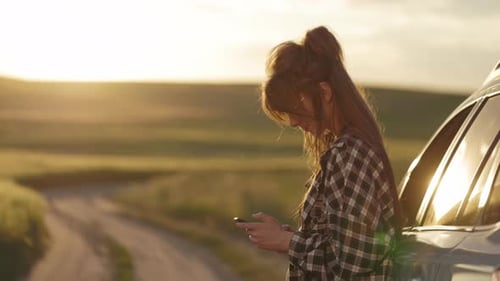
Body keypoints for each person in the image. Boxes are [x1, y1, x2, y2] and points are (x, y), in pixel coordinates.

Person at [235, 26, 402, 280]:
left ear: (324, 93)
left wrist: (287, 241)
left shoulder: (350, 154)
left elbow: (354, 260)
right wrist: (289, 238)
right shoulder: (345, 150)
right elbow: (341, 246)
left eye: (294, 108)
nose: (291, 122)